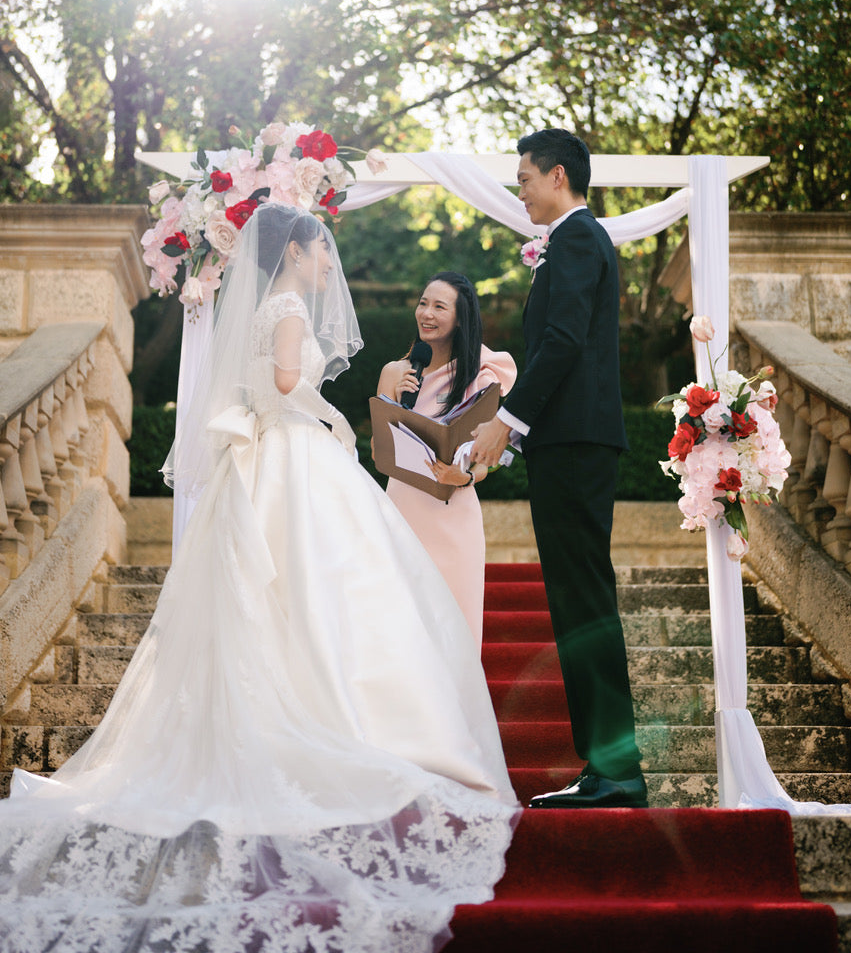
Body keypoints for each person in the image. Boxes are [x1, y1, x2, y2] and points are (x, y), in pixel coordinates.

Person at [0, 203, 518, 953]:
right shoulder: (288, 310)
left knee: (273, 590)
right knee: (320, 582)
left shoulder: (260, 309)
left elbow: (253, 385)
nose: (328, 264)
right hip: (291, 452)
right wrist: (327, 414)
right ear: (297, 253)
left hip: (261, 460)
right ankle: (342, 717)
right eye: (320, 252)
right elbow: (283, 383)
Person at [471, 129, 646, 810]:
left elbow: (564, 339)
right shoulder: (577, 239)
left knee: (583, 602)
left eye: (524, 178)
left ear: (557, 177)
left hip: (573, 443)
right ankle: (605, 766)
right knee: (577, 602)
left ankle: (616, 771)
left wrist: (507, 420)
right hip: (571, 443)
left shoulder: (575, 239)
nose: (518, 190)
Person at [376, 272, 516, 646]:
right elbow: (377, 451)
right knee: (403, 625)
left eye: (439, 306)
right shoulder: (394, 372)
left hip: (454, 513)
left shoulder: (479, 377)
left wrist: (464, 477)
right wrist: (396, 403)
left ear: (460, 317)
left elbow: (485, 460)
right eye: (423, 303)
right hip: (402, 510)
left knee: (455, 627)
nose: (427, 313)